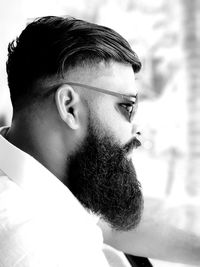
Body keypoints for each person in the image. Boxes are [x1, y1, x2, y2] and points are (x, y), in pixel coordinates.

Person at [0, 15, 199, 267]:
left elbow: (110, 223)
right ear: (69, 107)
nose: (136, 130)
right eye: (127, 106)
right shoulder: (41, 247)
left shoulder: (43, 177)